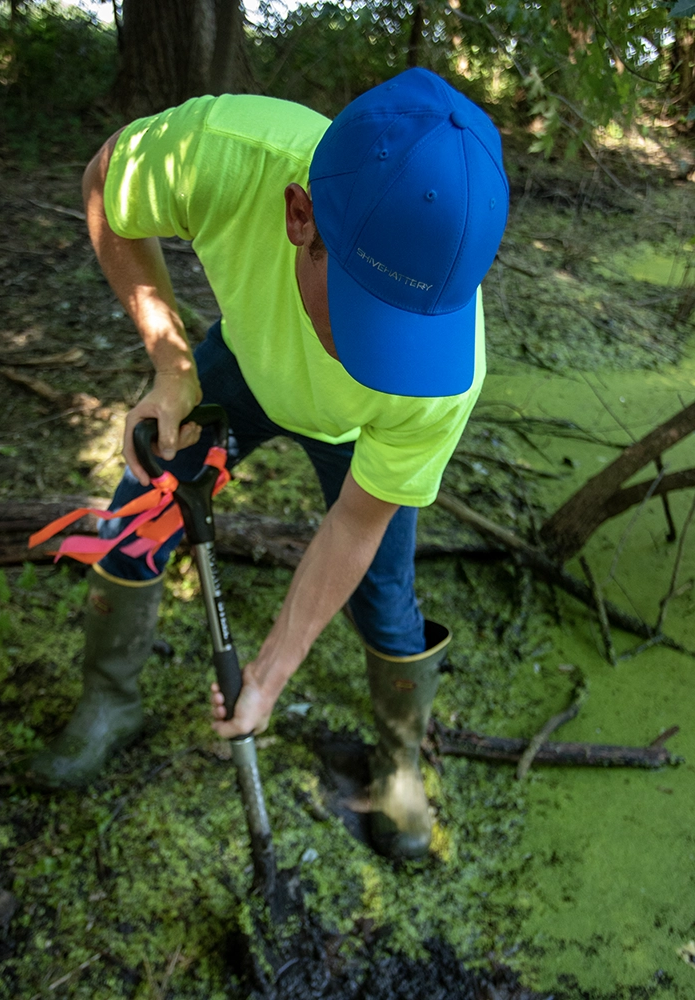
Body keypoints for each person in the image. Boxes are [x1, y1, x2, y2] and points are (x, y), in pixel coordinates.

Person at [29, 67, 509, 861]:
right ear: (298, 216)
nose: (377, 360)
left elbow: (356, 521)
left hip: (361, 434)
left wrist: (271, 673)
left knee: (386, 592)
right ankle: (108, 702)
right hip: (245, 367)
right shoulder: (223, 152)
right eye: (362, 314)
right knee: (134, 517)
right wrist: (171, 362)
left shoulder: (443, 379)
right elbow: (104, 181)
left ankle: (398, 762)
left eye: (407, 331)